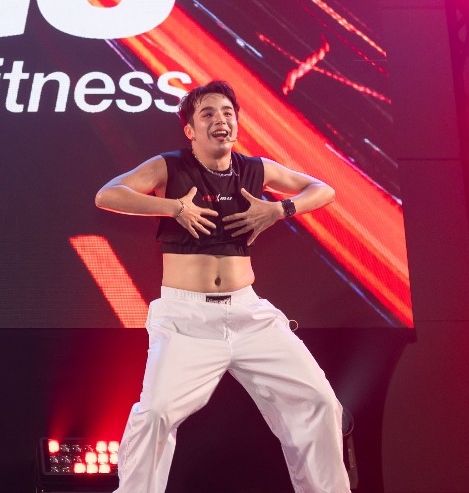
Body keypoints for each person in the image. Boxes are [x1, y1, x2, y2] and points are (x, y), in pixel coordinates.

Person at [94, 80, 350, 493]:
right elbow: (109, 195)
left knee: (320, 402)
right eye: (208, 113)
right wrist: (173, 207)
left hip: (248, 314)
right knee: (156, 413)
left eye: (228, 113)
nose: (221, 120)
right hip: (186, 319)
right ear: (190, 129)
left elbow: (324, 190)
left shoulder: (254, 169)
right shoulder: (170, 167)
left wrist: (280, 209)